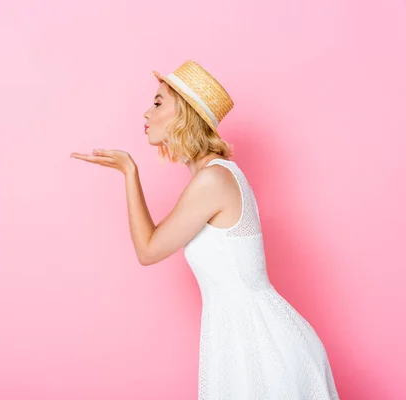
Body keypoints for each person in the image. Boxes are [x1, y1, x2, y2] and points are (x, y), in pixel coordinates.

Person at [70, 60, 340, 399]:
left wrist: (129, 172)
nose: (146, 113)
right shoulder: (215, 176)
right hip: (246, 342)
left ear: (184, 114)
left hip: (262, 350)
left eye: (157, 102)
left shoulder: (213, 179)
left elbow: (148, 250)